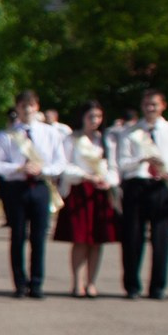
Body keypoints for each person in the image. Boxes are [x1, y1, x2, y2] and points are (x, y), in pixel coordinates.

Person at [113, 89, 168, 301]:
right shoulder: (131, 132)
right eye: (146, 104)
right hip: (136, 184)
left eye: (154, 104)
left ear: (163, 105)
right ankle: (132, 285)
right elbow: (123, 163)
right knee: (132, 237)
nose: (150, 108)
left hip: (160, 186)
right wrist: (141, 160)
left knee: (161, 238)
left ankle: (158, 286)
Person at [0, 91, 66, 300]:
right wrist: (19, 167)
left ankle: (37, 282)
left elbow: (60, 163)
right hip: (16, 188)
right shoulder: (6, 135)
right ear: (17, 107)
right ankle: (19, 283)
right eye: (23, 105)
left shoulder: (50, 133)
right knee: (17, 236)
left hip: (41, 187)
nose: (26, 109)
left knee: (39, 237)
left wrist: (42, 170)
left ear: (37, 107)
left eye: (30, 105)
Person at [55, 102, 120, 299]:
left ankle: (91, 282)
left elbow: (114, 168)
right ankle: (77, 282)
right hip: (79, 190)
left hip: (100, 193)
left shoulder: (106, 141)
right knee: (80, 239)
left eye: (98, 117)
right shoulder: (72, 139)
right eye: (91, 116)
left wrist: (107, 180)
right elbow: (63, 166)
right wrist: (85, 176)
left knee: (97, 240)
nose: (95, 121)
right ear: (82, 117)